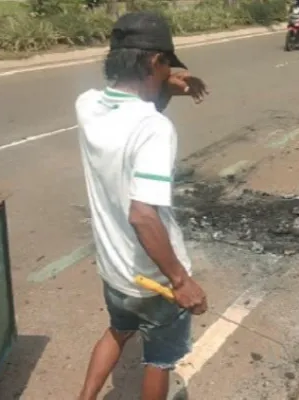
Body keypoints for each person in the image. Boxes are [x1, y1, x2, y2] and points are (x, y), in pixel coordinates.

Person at [75, 11, 209, 400]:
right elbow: (142, 214)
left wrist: (166, 87)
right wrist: (182, 282)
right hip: (153, 279)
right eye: (167, 63)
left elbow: (132, 112)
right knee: (160, 360)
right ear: (154, 62)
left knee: (119, 329)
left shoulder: (87, 105)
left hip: (114, 270)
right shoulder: (153, 129)